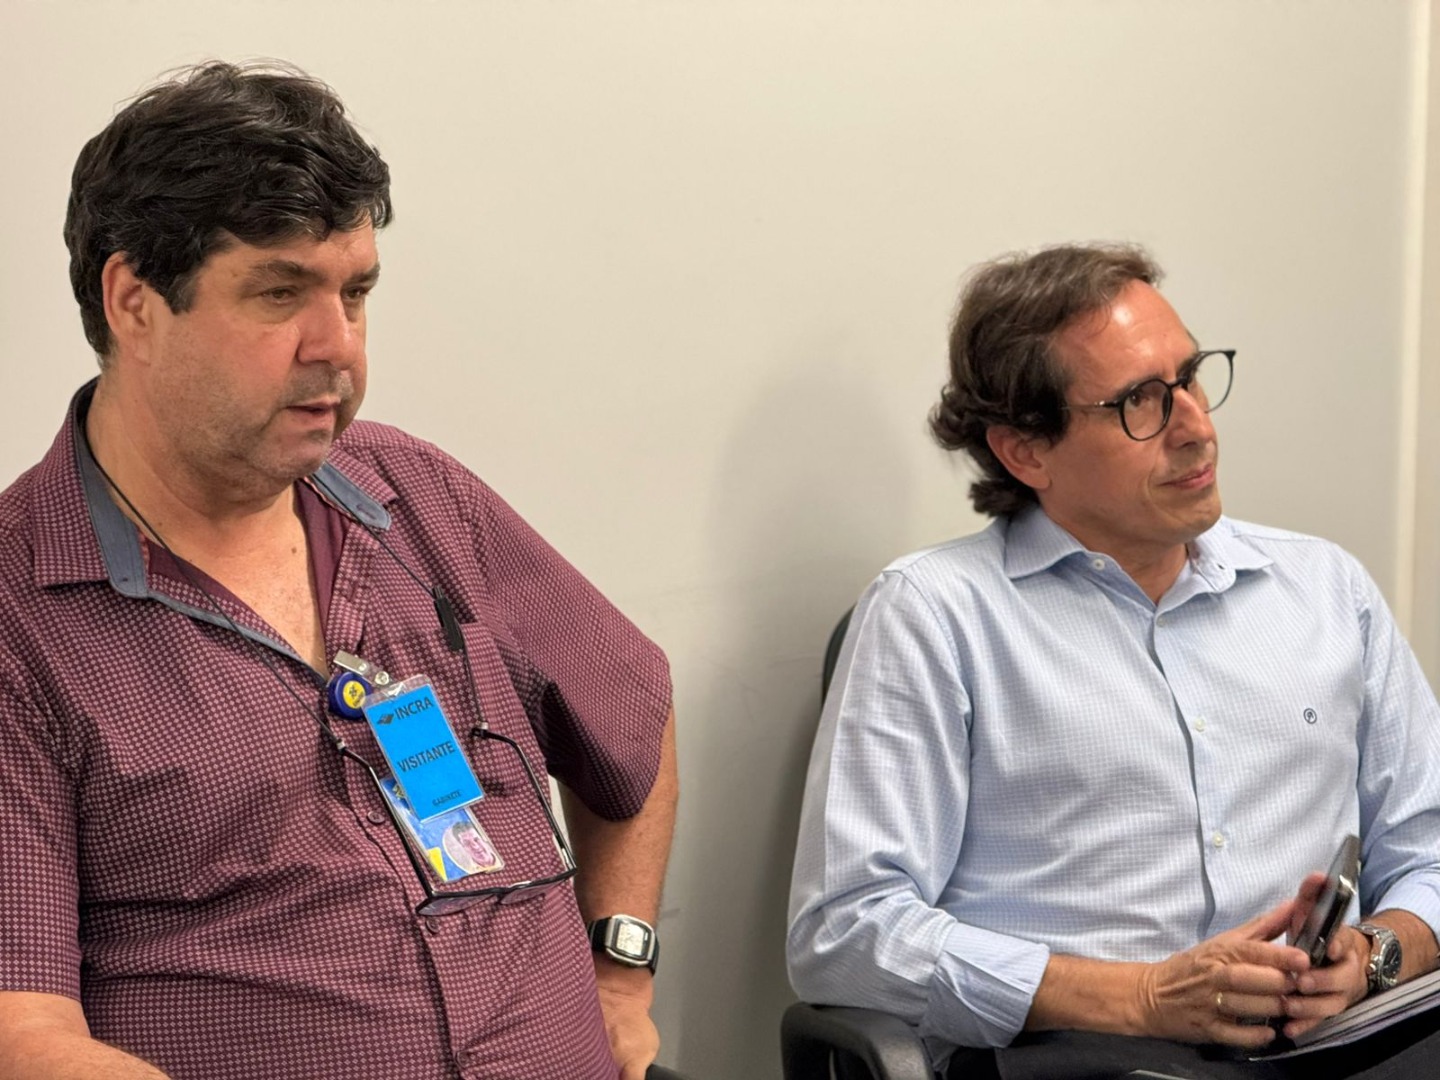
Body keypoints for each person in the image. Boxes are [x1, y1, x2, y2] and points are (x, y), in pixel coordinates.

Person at [0, 61, 676, 1080]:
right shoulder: (20, 614)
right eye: (281, 294)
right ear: (133, 301)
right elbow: (23, 1033)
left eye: (356, 292)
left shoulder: (417, 496)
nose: (339, 346)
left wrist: (621, 969)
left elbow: (633, 712)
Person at [786, 243, 1440, 1079]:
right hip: (1091, 1056)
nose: (1196, 427)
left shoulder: (1325, 589)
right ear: (1026, 451)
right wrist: (1142, 995)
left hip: (1337, 1043)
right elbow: (845, 932)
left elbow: (1426, 845)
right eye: (1140, 403)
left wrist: (1376, 953)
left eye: (1190, 378)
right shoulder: (934, 616)